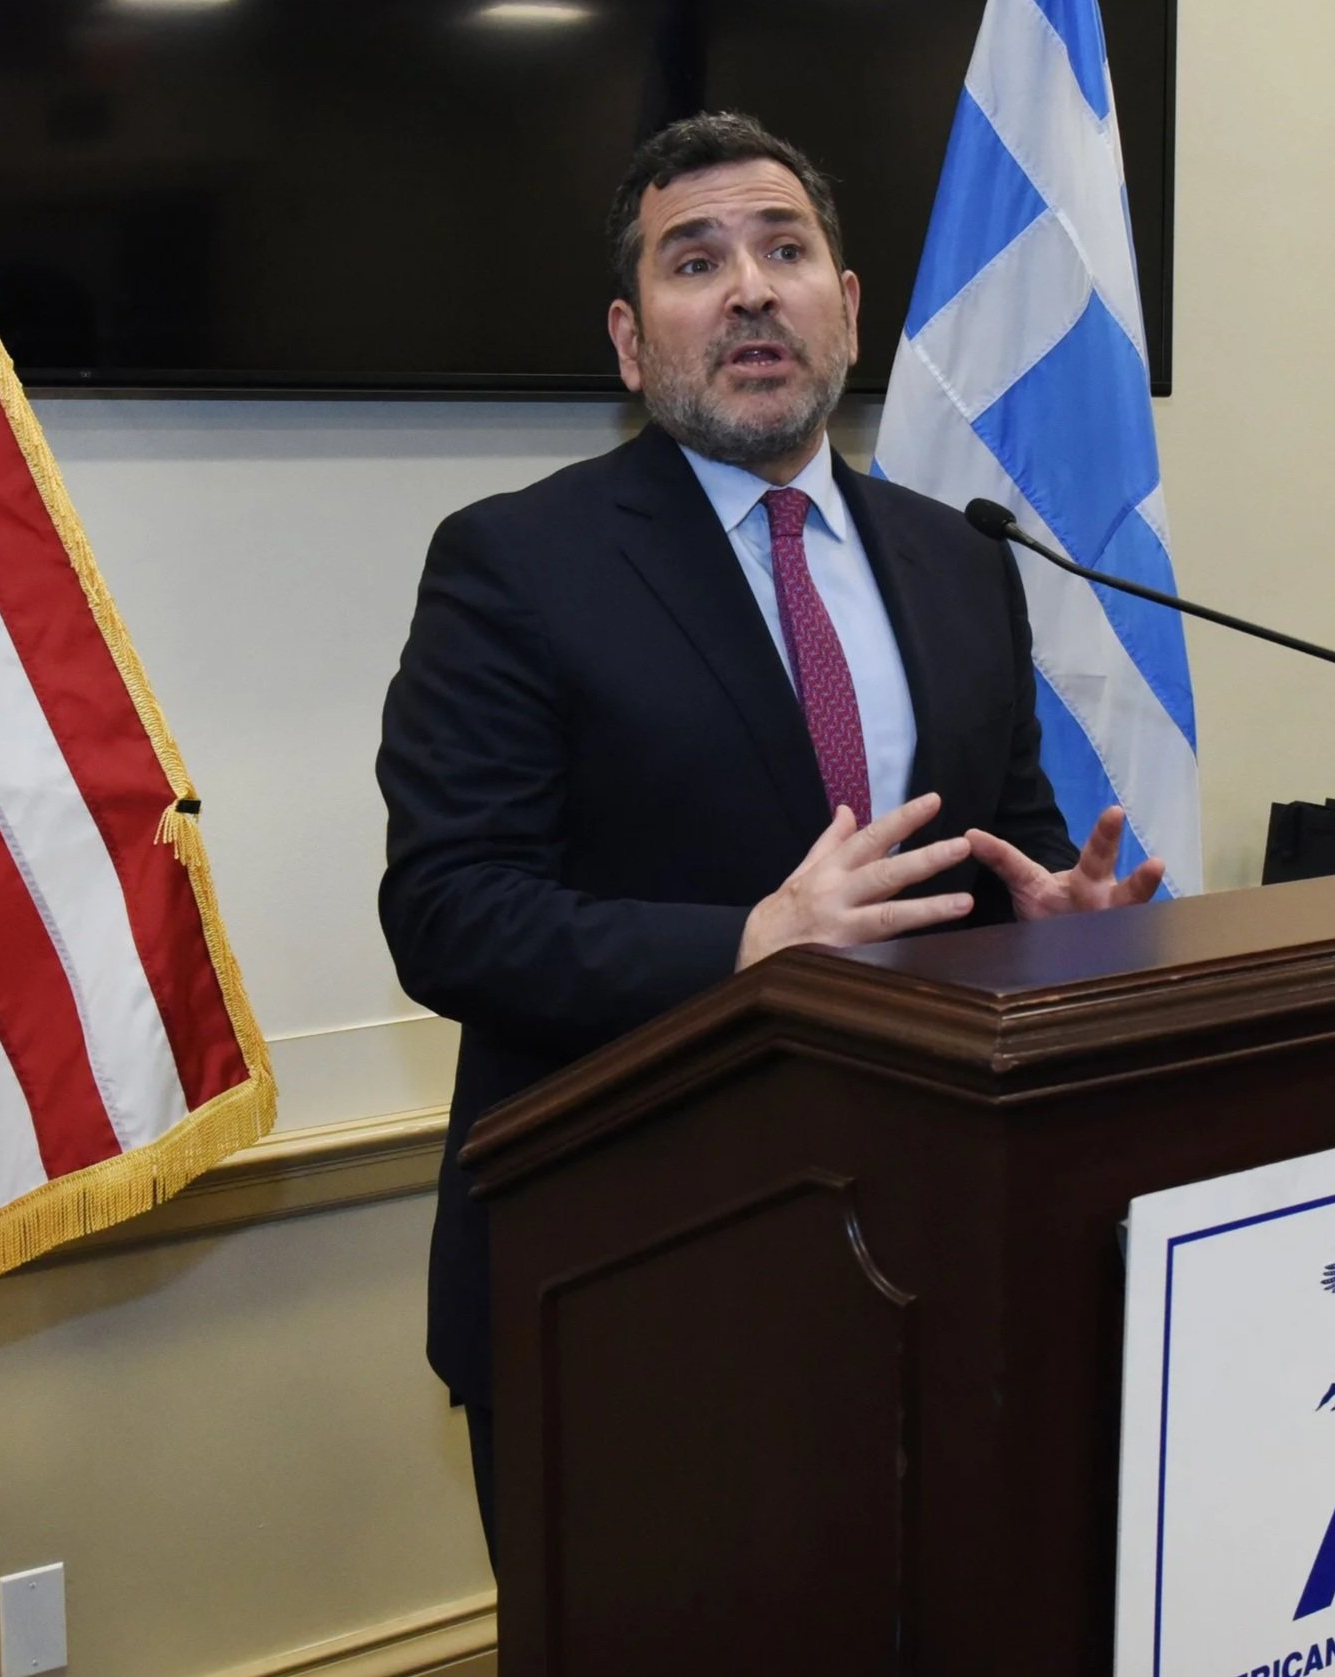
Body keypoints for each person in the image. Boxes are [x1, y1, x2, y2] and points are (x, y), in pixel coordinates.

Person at [376, 112, 1162, 1561]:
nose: (749, 289)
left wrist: (1055, 924)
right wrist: (750, 943)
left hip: (921, 1258)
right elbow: (448, 913)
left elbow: (1002, 847)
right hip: (623, 1269)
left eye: (785, 251)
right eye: (695, 261)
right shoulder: (515, 563)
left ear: (845, 310)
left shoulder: (961, 559)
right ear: (630, 342)